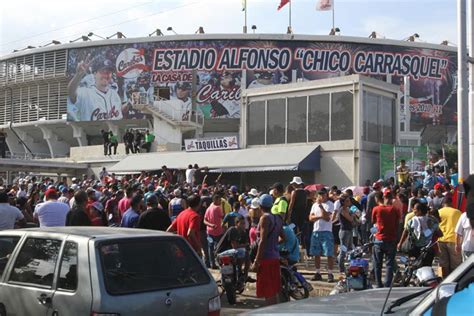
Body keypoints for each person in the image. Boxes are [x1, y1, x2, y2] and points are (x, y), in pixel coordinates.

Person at [67, 56, 124, 121]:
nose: (106, 75)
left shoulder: (115, 95)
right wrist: (78, 75)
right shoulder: (86, 93)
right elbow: (71, 93)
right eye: (102, 71)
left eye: (109, 72)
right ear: (94, 74)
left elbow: (119, 117)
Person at [251, 194, 284, 306]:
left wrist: (256, 261)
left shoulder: (264, 218)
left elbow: (262, 241)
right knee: (273, 290)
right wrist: (274, 244)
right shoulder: (278, 218)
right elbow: (284, 237)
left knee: (267, 291)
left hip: (266, 260)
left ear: (260, 206)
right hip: (275, 258)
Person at [398, 200, 440, 268]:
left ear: (419, 211)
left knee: (411, 264)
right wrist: (430, 231)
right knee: (427, 267)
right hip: (428, 250)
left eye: (414, 209)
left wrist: (400, 243)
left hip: (414, 248)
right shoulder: (432, 221)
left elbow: (405, 231)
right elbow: (440, 233)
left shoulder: (412, 221)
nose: (413, 210)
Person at [372, 191, 400, 288]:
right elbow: (398, 223)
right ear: (392, 197)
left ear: (383, 197)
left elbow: (373, 221)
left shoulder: (376, 209)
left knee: (377, 264)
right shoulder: (395, 209)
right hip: (391, 239)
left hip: (379, 239)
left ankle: (379, 284)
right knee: (389, 264)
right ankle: (387, 284)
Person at [309, 188, 335, 283]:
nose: (321, 196)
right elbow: (310, 218)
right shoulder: (314, 205)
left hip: (326, 231)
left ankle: (330, 273)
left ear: (326, 194)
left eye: (323, 194)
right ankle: (318, 272)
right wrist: (320, 217)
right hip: (316, 230)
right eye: (319, 194)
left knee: (329, 253)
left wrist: (321, 207)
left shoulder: (330, 204)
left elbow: (327, 218)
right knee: (316, 253)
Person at [437, 195, 462, 277]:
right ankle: (455, 279)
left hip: (440, 240)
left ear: (443, 203)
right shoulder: (457, 212)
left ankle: (445, 280)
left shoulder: (438, 212)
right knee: (456, 264)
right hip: (453, 240)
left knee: (444, 263)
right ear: (451, 203)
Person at [204, 193, 225, 269]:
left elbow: (204, 221)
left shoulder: (208, 208)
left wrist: (210, 225)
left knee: (210, 247)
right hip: (217, 232)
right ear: (215, 200)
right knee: (219, 248)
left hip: (209, 231)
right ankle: (219, 263)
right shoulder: (217, 208)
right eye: (219, 200)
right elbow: (223, 217)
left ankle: (212, 263)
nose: (220, 202)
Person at [337, 195, 356, 274]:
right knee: (343, 250)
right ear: (343, 202)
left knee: (350, 249)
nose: (349, 202)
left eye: (349, 200)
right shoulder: (342, 210)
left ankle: (350, 266)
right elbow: (350, 219)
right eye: (347, 201)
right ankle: (341, 268)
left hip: (349, 230)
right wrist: (353, 215)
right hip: (344, 231)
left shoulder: (348, 209)